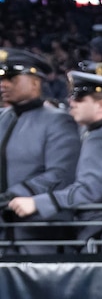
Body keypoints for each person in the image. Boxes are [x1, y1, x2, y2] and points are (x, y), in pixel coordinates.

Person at [5, 70, 102, 246]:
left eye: (80, 98)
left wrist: (38, 202)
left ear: (101, 106)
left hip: (100, 232)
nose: (71, 102)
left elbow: (88, 191)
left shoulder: (101, 137)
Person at [0, 48, 81, 253]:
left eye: (12, 78)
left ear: (35, 81)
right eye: (1, 78)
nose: (3, 84)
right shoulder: (3, 118)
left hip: (41, 232)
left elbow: (61, 173)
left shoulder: (58, 120)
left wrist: (13, 195)